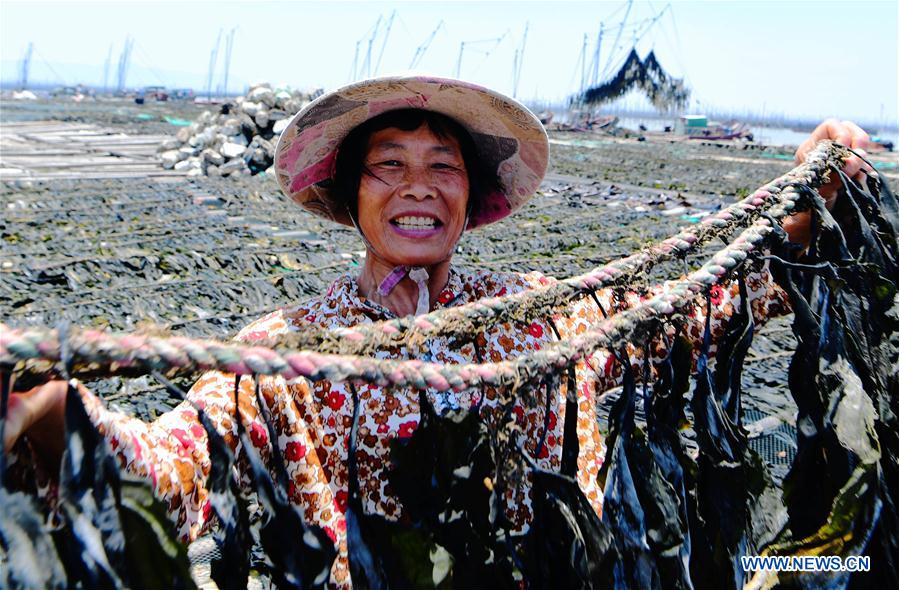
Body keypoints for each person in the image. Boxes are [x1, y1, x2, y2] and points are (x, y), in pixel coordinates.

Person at [2, 76, 873, 587]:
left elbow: (706, 310)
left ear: (469, 198)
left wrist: (807, 206)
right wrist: (50, 410)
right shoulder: (281, 349)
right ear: (352, 198)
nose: (416, 186)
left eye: (441, 167)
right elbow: (172, 471)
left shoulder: (548, 317)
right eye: (389, 167)